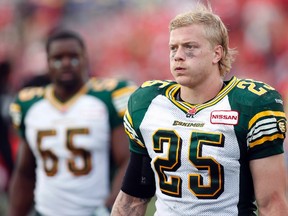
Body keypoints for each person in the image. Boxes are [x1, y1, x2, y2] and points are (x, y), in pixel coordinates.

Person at [111, 3, 288, 216]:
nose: (178, 56)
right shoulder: (148, 103)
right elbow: (133, 196)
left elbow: (272, 203)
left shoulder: (250, 105)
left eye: (190, 47)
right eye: (173, 48)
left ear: (217, 54)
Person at [8, 30, 136, 216]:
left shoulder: (108, 97)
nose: (66, 63)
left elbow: (127, 160)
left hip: (94, 210)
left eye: (73, 57)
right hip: (45, 211)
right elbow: (25, 172)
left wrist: (112, 207)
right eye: (58, 58)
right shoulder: (30, 104)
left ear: (85, 58)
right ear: (48, 62)